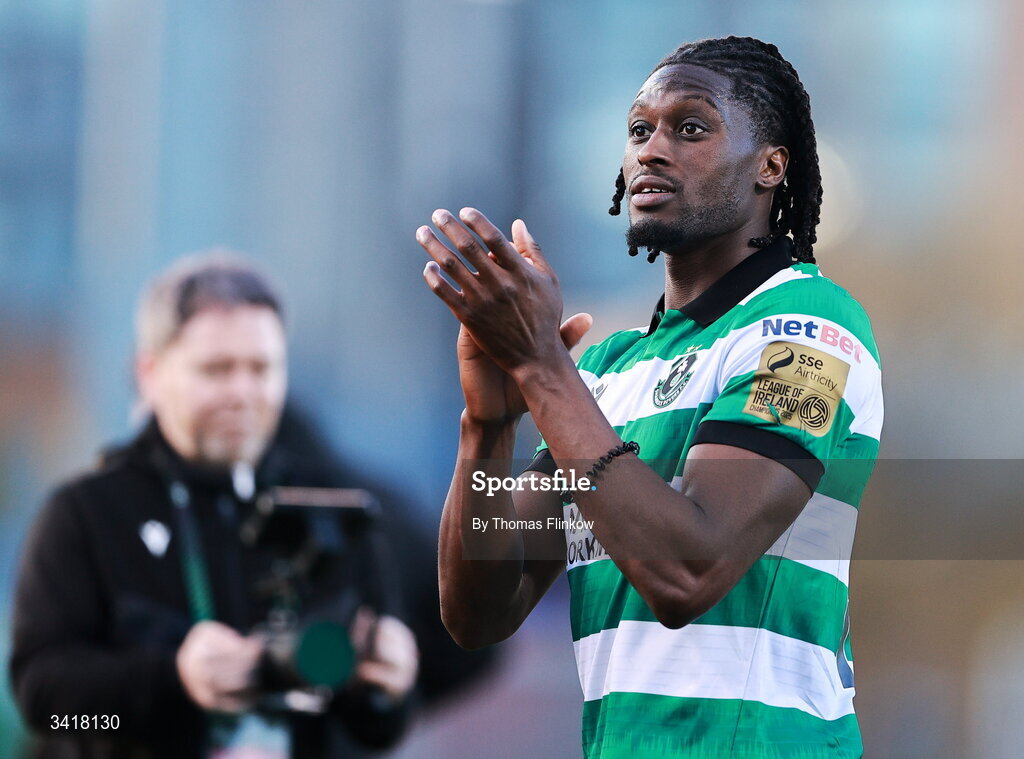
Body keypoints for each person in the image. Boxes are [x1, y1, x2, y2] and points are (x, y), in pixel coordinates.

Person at [416, 36, 882, 758]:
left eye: (690, 127)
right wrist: (486, 423)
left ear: (771, 166)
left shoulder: (813, 328)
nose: (652, 150)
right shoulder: (601, 372)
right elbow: (479, 614)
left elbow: (687, 570)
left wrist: (542, 365)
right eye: (640, 130)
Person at [9, 253, 419, 759]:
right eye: (216, 370)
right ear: (150, 373)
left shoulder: (335, 512)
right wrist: (172, 681)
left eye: (261, 368)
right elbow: (48, 708)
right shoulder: (86, 513)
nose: (242, 392)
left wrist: (388, 690)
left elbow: (379, 731)